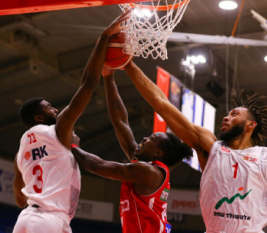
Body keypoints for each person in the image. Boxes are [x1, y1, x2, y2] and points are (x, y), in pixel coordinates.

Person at [123, 61, 267, 233]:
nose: (226, 117)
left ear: (250, 125)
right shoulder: (210, 147)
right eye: (227, 114)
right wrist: (128, 65)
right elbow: (161, 104)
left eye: (234, 114)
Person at [12, 11, 131, 233]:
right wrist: (105, 37)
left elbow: (20, 200)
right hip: (49, 220)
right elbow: (88, 83)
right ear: (39, 117)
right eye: (49, 107)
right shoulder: (56, 131)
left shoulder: (21, 151)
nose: (55, 109)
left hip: (27, 218)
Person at [71, 66, 193, 233]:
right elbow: (121, 122)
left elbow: (97, 166)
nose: (144, 138)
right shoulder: (145, 167)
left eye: (151, 139)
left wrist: (72, 146)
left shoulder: (147, 172)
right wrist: (108, 76)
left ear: (158, 153)